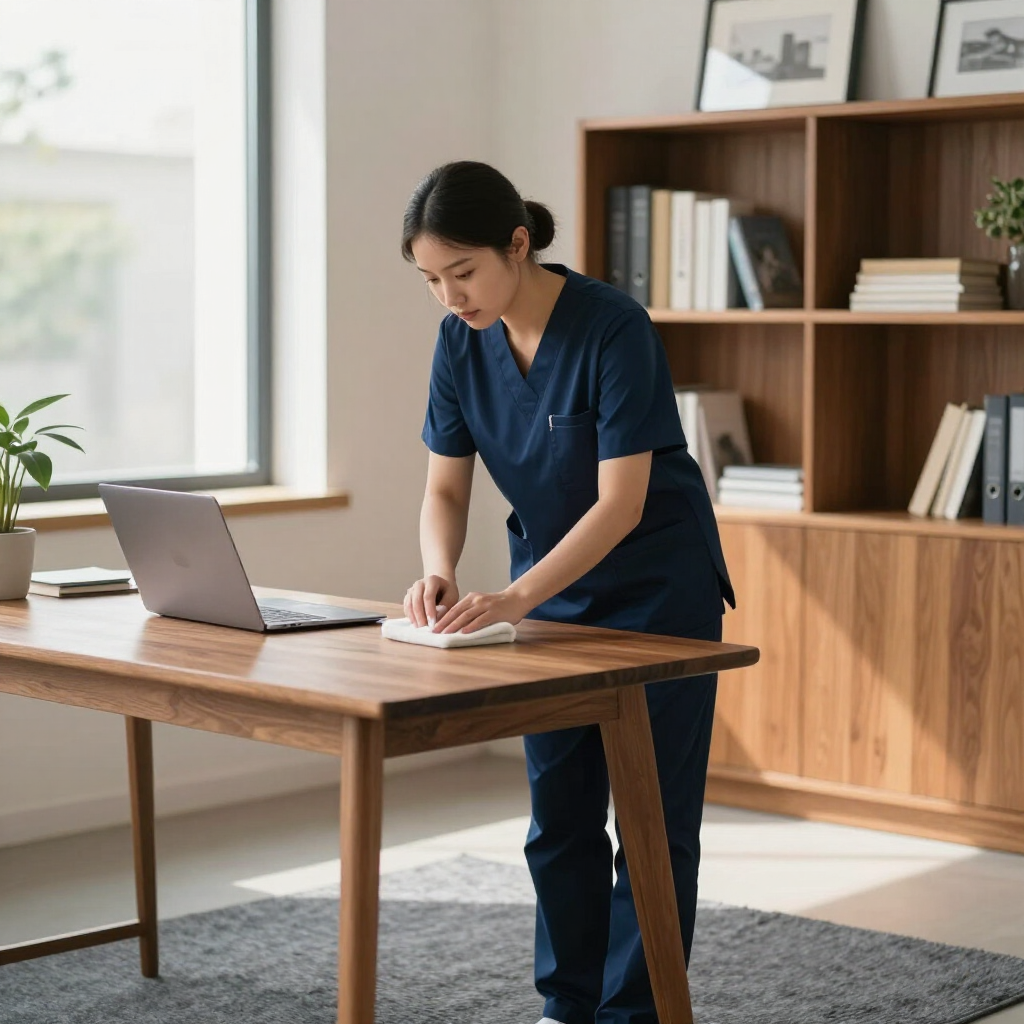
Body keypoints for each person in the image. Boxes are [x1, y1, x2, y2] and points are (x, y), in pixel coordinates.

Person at [400, 161, 735, 1024]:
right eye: (431, 279)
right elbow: (446, 487)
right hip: (551, 592)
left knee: (653, 826)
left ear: (519, 244)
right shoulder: (458, 342)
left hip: (657, 591)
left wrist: (513, 602)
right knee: (560, 815)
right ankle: (566, 1004)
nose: (450, 296)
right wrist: (439, 565)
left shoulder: (612, 327)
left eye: (463, 272)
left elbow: (620, 504)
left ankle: (635, 1012)